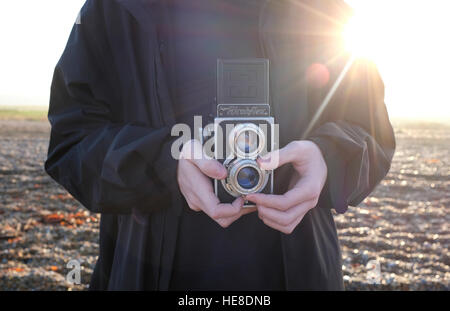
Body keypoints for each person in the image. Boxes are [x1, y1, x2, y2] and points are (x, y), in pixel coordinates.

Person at [45, 0, 395, 290]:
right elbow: (71, 140)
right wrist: (167, 164)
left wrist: (326, 160)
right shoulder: (116, 7)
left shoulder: (323, 10)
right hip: (148, 270)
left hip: (297, 271)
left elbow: (371, 132)